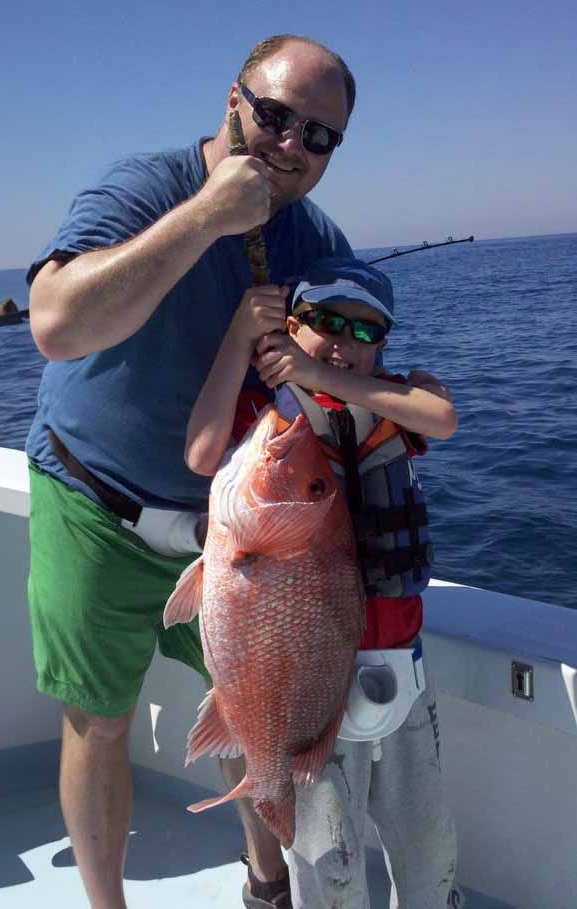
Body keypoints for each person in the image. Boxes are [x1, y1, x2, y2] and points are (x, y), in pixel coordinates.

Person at [26, 34, 357, 909]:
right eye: (276, 115)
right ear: (233, 98)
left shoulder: (315, 240)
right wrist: (208, 214)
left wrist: (399, 382)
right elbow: (56, 323)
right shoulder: (142, 188)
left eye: (318, 136)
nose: (291, 145)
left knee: (253, 704)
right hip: (94, 500)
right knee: (98, 721)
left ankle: (268, 882)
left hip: (233, 526)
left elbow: (352, 351)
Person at [185, 257, 465, 908]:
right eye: (324, 322)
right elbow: (201, 453)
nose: (343, 341)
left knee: (427, 849)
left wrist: (317, 370)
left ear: (383, 347)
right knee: (328, 867)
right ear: (290, 326)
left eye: (364, 332)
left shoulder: (396, 402)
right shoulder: (267, 418)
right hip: (309, 692)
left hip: (401, 677)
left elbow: (442, 417)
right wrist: (242, 340)